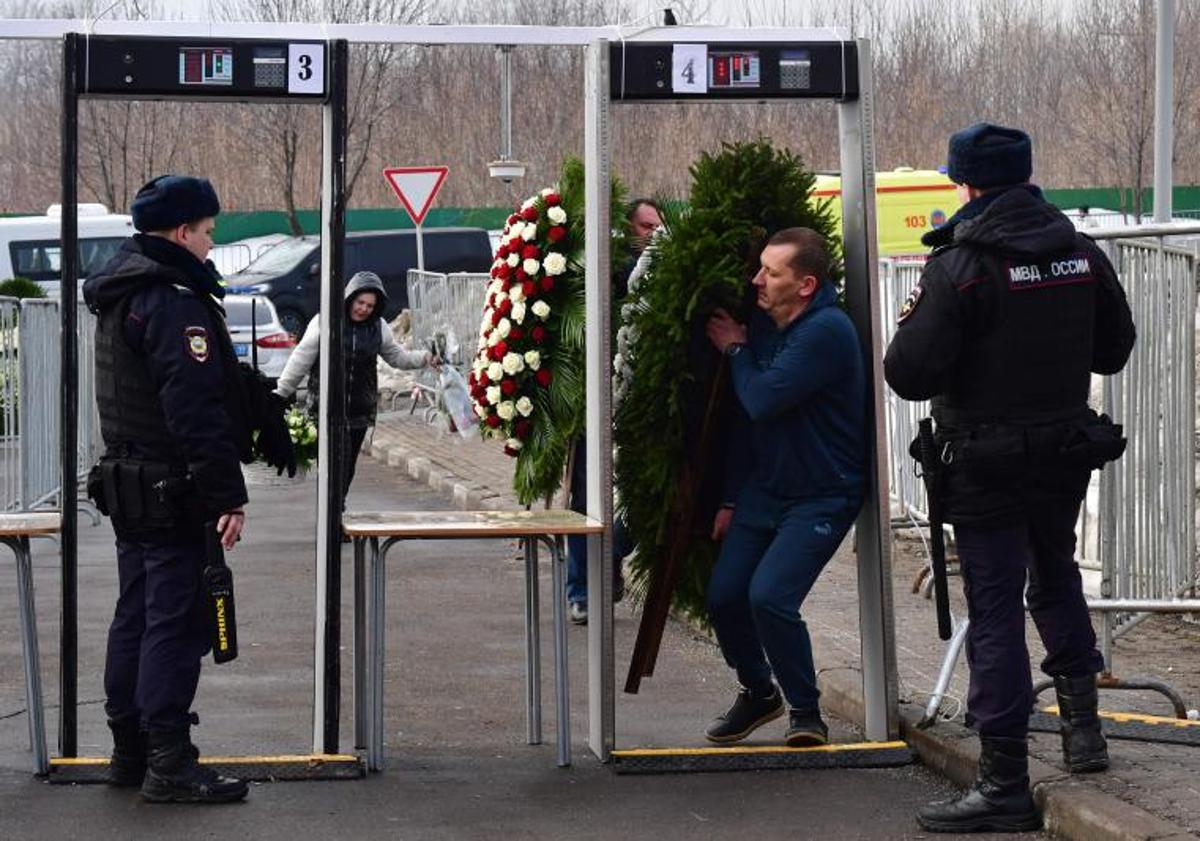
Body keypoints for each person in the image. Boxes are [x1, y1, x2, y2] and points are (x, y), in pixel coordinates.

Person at [884, 123, 1136, 833]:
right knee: (1054, 575)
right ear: (1027, 177)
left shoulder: (961, 264)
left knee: (994, 606)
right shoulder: (1080, 251)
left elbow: (907, 371)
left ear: (964, 184)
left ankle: (1003, 779)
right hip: (1063, 451)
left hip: (986, 463)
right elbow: (1114, 350)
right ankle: (1084, 736)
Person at [83, 175, 286, 803]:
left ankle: (131, 752)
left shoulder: (124, 292)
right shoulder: (172, 300)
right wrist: (228, 495)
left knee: (137, 616)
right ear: (180, 232)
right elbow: (193, 407)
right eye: (206, 232)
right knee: (174, 623)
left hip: (130, 483)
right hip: (172, 489)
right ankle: (169, 764)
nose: (209, 244)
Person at [702, 227, 866, 748]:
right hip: (765, 489)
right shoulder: (767, 326)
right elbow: (746, 427)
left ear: (806, 285)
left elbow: (763, 399)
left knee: (770, 596)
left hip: (822, 492)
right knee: (725, 596)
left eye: (771, 273)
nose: (757, 280)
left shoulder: (826, 331)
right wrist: (730, 497)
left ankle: (805, 711)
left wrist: (734, 352)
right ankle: (758, 691)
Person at [566, 198, 664, 625]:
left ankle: (610, 553)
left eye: (658, 226)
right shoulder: (605, 272)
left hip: (643, 402)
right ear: (626, 229)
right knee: (586, 495)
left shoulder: (665, 272)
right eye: (645, 227)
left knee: (646, 495)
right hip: (595, 398)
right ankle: (581, 589)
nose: (653, 235)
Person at [274, 271, 436, 505]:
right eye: (360, 302)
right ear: (350, 298)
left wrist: (425, 358)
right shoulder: (325, 321)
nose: (364, 309)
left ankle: (337, 509)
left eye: (370, 305)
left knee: (347, 466)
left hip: (360, 409)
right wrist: (280, 393)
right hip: (326, 408)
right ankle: (332, 514)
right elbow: (301, 358)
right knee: (335, 464)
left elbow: (397, 357)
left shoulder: (378, 327)